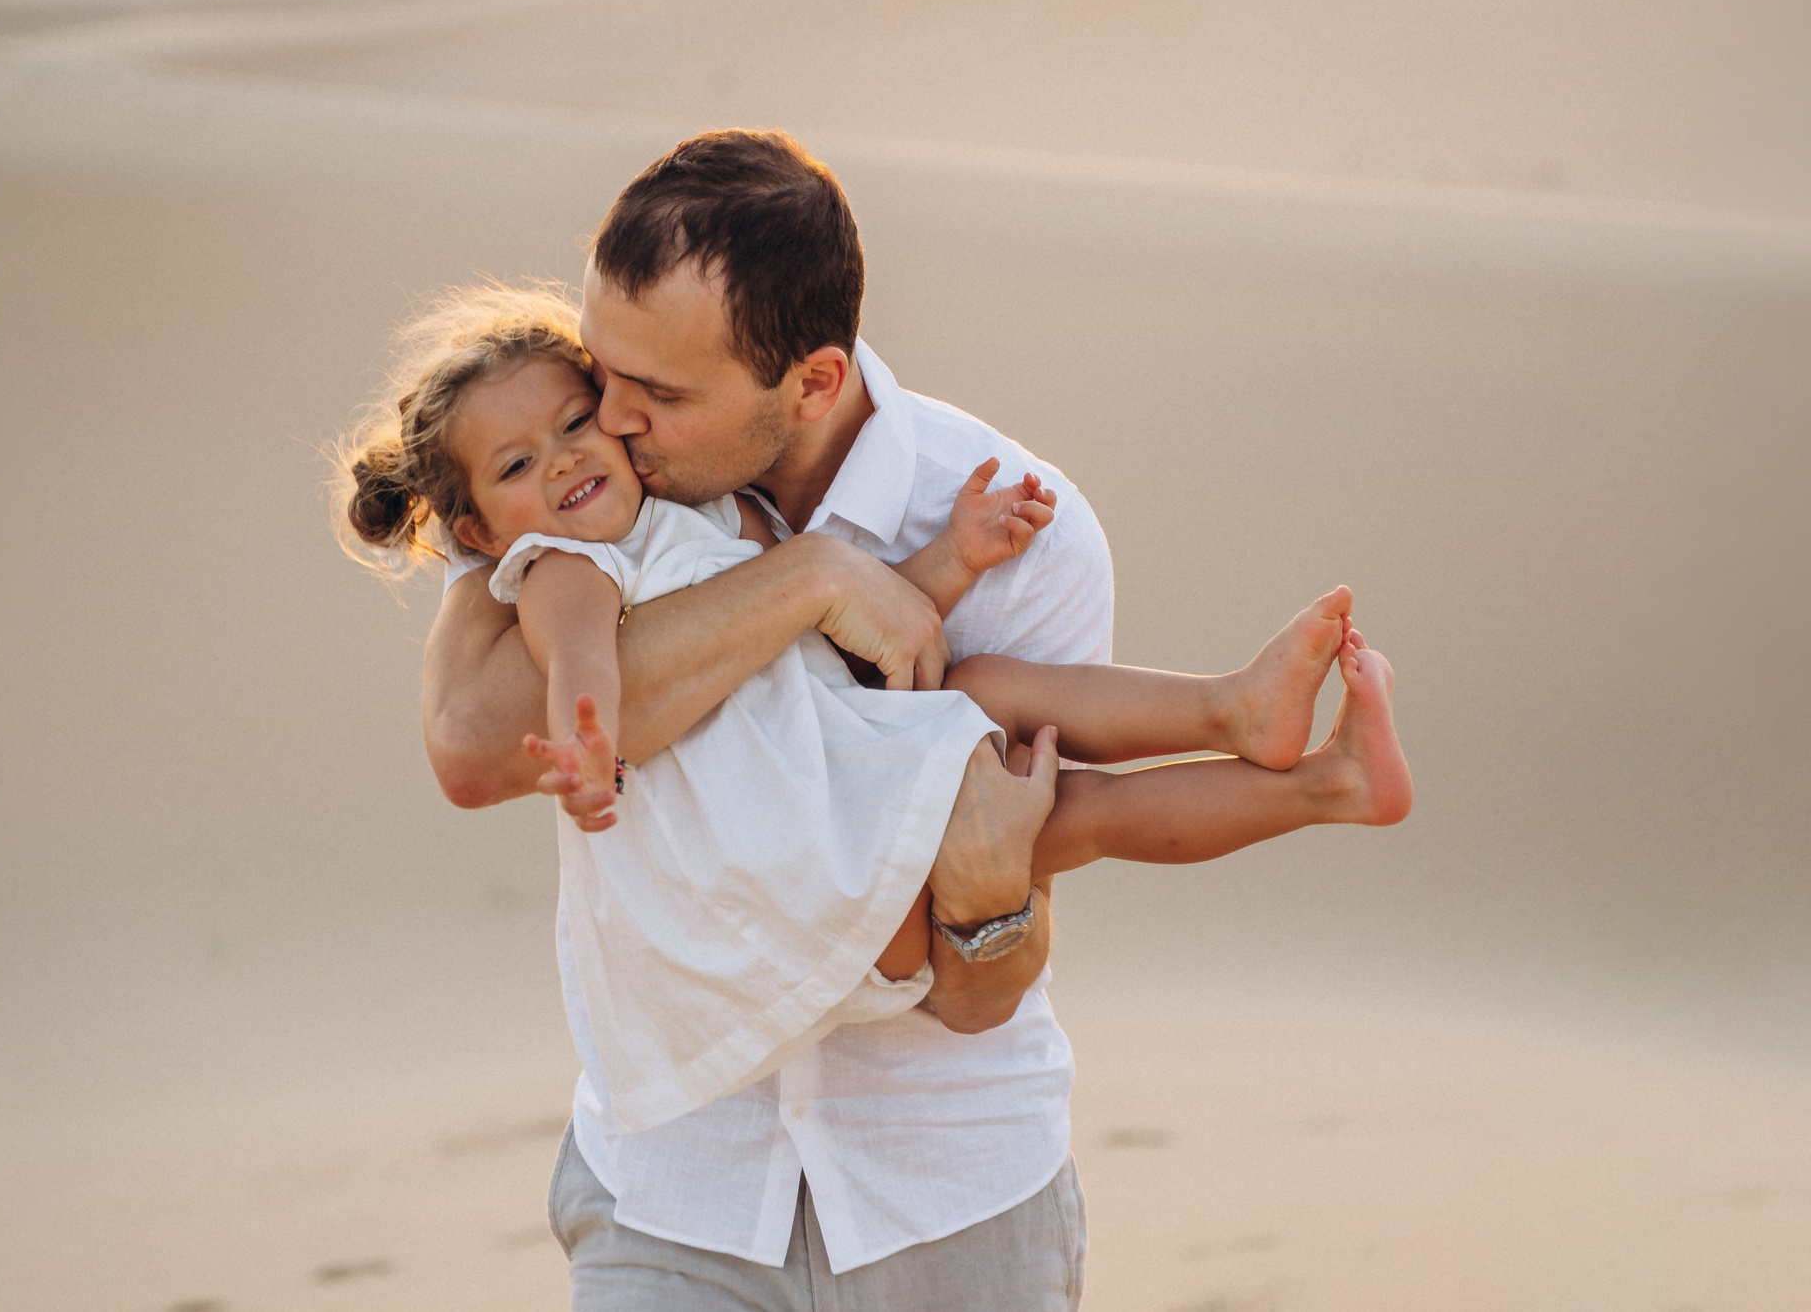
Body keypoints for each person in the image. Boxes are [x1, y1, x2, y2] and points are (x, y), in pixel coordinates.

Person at [399, 129, 1405, 1309]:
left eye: (656, 395)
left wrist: (981, 906)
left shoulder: (1013, 521)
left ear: (811, 382)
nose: (608, 420)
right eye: (601, 371)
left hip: (948, 1197)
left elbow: (987, 986)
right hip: (672, 1190)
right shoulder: (566, 493)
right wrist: (810, 575)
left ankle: (1270, 746)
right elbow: (476, 748)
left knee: (1035, 770)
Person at [334, 285, 1410, 1139]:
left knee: (1022, 752)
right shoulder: (558, 563)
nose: (573, 452)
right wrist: (584, 741)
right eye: (521, 462)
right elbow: (575, 663)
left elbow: (845, 646)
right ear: (475, 530)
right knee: (1064, 806)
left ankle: (1281, 747)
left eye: (581, 418)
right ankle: (1285, 760)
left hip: (838, 818)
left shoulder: (705, 516)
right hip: (803, 875)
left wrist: (948, 560)